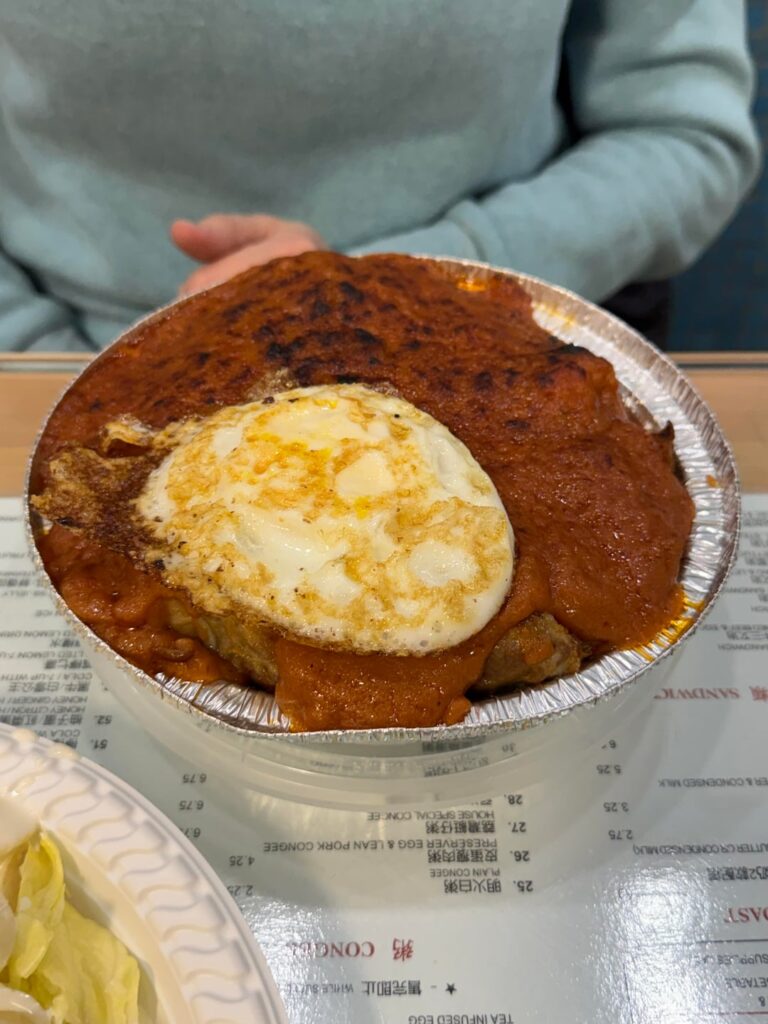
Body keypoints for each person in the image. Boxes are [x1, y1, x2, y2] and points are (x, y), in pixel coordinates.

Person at [0, 0, 760, 353]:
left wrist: (385, 286)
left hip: (500, 338)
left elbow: (685, 136)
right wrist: (44, 365)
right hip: (68, 346)